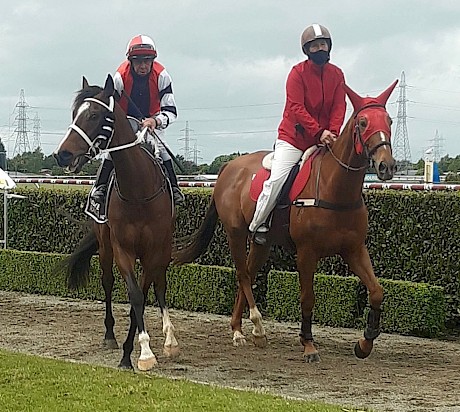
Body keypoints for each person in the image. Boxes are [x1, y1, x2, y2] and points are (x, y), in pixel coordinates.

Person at [249, 24, 347, 245]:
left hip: (325, 140)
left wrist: (333, 132)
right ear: (307, 50)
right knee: (277, 180)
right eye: (315, 46)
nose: (320, 49)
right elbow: (296, 107)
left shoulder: (337, 74)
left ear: (329, 47)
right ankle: (258, 225)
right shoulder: (297, 73)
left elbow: (339, 107)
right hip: (294, 140)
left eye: (323, 44)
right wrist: (318, 131)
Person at [93, 34, 185, 204]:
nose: (143, 66)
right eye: (138, 61)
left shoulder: (162, 76)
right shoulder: (119, 77)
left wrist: (155, 121)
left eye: (147, 61)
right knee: (113, 152)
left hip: (153, 121)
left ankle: (174, 188)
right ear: (131, 61)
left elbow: (170, 111)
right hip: (125, 121)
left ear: (152, 60)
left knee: (162, 151)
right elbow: (110, 107)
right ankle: (100, 187)